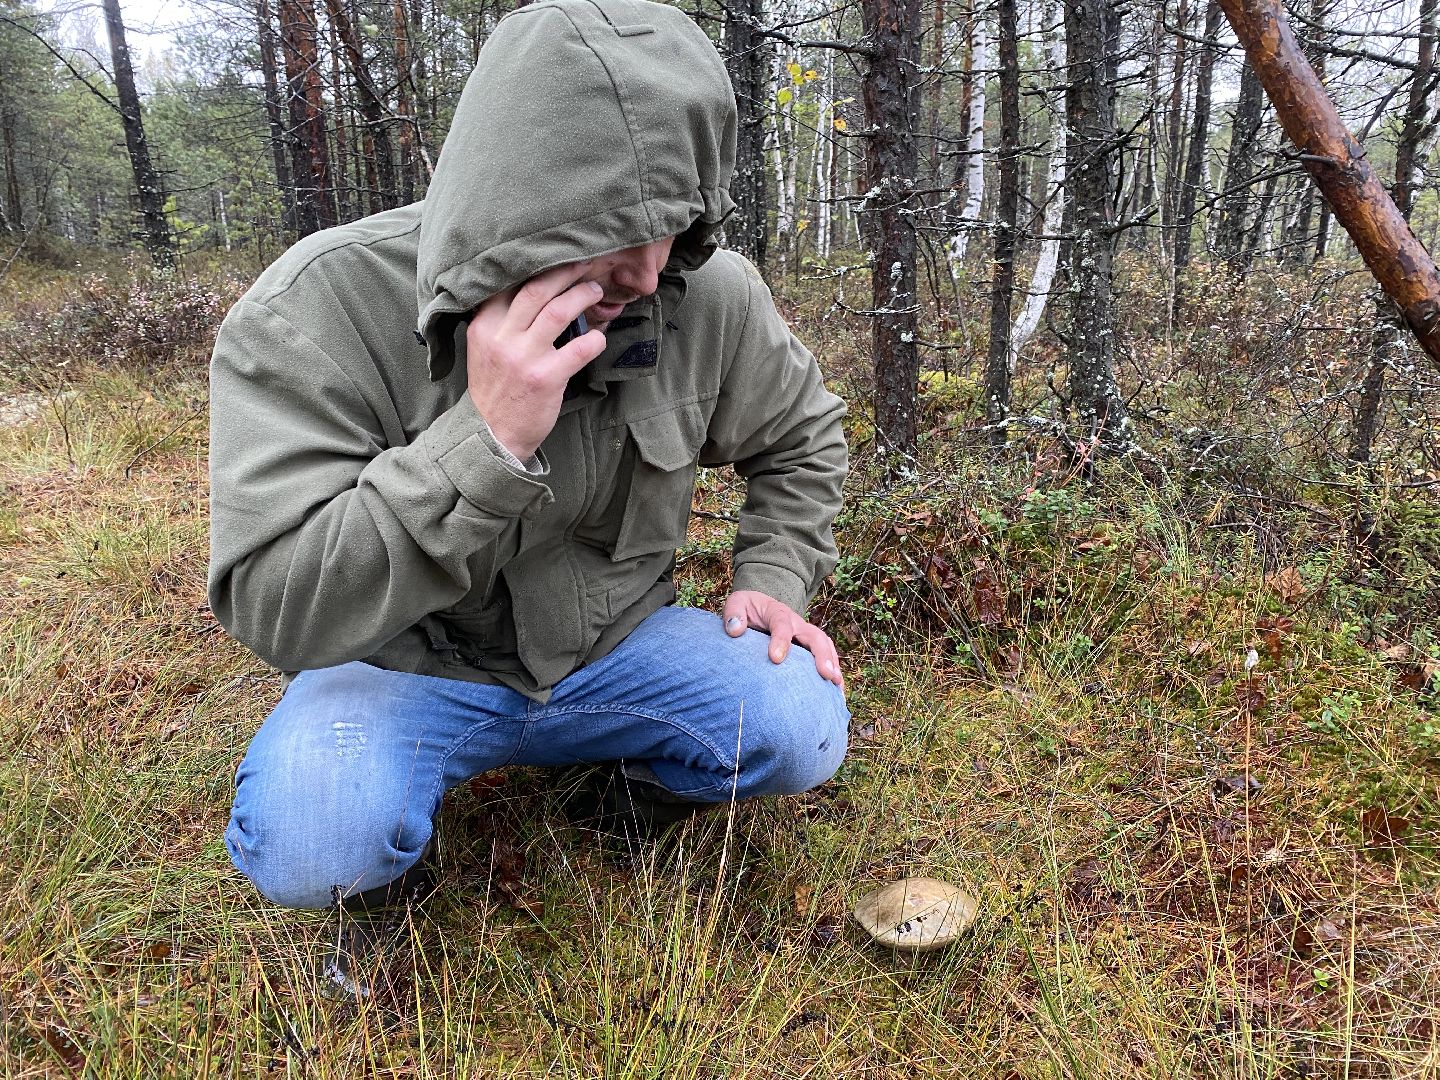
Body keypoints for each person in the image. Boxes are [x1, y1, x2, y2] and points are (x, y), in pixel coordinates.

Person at [208, 0, 850, 929]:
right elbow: (276, 603)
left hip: (617, 649)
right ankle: (386, 887)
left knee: (801, 724)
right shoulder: (316, 312)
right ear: (513, 201)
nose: (645, 267)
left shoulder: (704, 298)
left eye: (670, 219)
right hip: (405, 668)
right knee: (312, 841)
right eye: (608, 224)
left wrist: (778, 575)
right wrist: (486, 441)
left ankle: (629, 795)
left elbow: (801, 438)